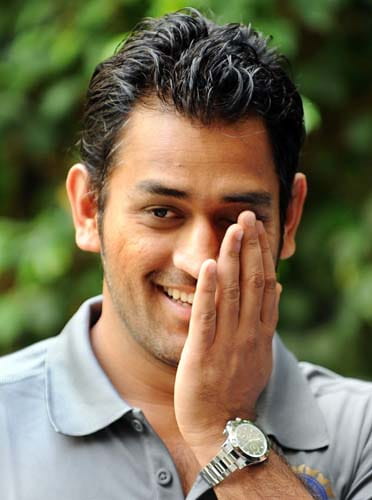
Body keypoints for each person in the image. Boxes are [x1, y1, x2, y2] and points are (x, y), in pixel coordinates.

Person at [1, 9, 371, 500]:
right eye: (161, 212)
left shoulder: (360, 430)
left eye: (237, 218)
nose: (200, 262)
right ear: (88, 210)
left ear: (291, 219)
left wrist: (224, 426)